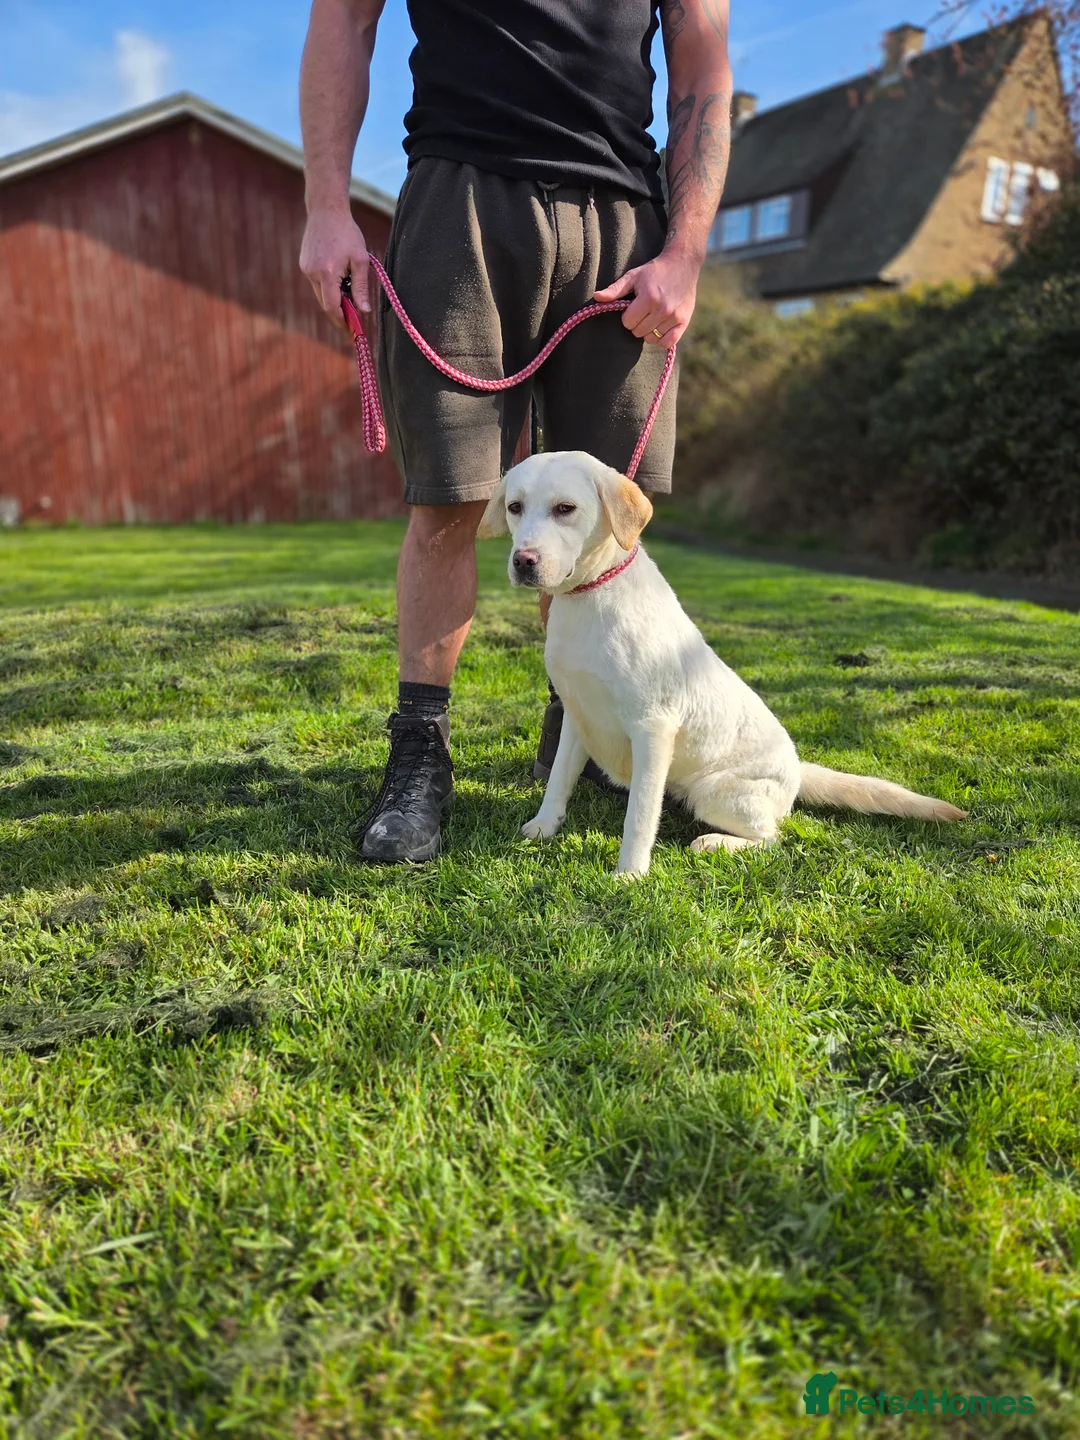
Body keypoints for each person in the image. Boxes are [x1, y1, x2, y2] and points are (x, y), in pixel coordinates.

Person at [299, 0, 733, 862]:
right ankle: (419, 752)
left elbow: (700, 55)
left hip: (622, 216)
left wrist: (685, 249)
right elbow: (344, 20)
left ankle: (570, 734)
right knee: (448, 498)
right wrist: (325, 206)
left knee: (604, 512)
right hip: (459, 194)